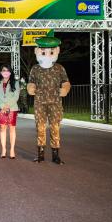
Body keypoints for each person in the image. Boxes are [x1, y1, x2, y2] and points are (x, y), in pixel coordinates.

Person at [27, 33, 71, 164]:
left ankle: (55, 155)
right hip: (40, 102)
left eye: (51, 51)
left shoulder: (59, 68)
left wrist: (65, 89)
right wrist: (30, 87)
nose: (47, 54)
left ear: (56, 51)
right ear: (38, 51)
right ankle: (40, 154)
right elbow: (31, 81)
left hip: (55, 103)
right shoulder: (35, 68)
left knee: (55, 128)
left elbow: (66, 82)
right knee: (40, 128)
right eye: (44, 51)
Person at [0, 65, 20, 159]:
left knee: (12, 129)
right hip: (0, 108)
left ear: (10, 72)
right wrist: (2, 106)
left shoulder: (15, 82)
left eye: (7, 70)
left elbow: (16, 96)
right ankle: (3, 149)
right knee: (2, 128)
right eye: (3, 70)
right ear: (1, 72)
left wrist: (8, 106)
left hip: (12, 108)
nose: (5, 72)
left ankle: (12, 150)